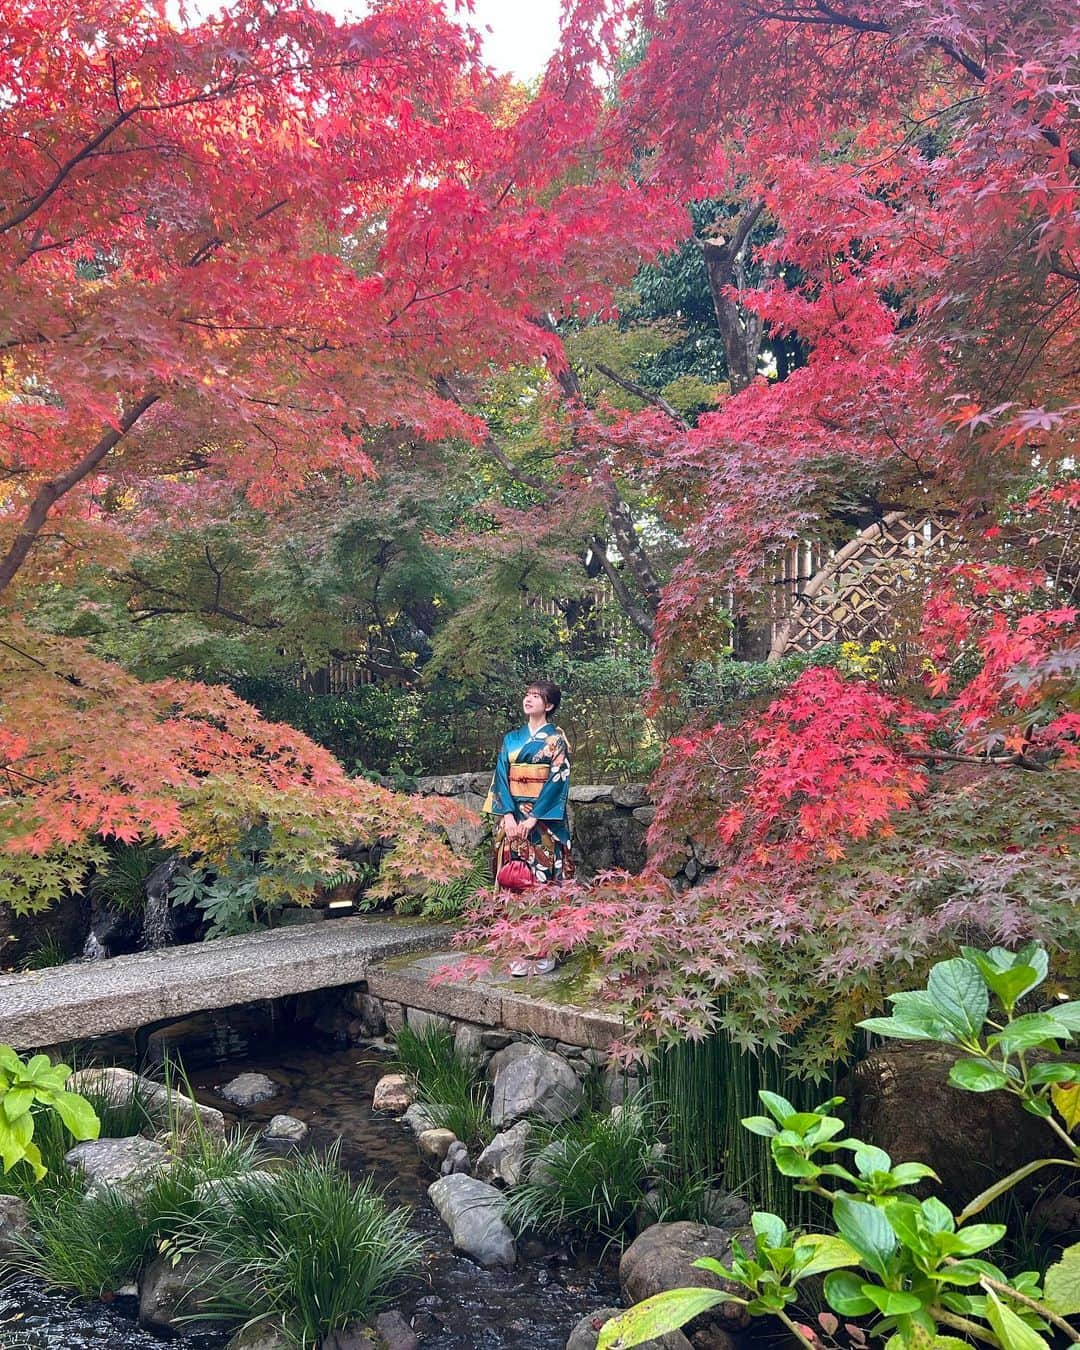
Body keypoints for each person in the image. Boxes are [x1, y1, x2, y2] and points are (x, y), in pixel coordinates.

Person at [483, 678, 573, 976]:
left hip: (541, 824)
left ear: (548, 705)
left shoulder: (556, 741)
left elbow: (558, 779)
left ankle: (546, 950)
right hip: (512, 823)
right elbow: (500, 777)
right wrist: (508, 816)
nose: (529, 699)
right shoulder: (511, 739)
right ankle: (519, 949)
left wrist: (534, 817)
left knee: (543, 883)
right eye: (527, 695)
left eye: (536, 696)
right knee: (514, 883)